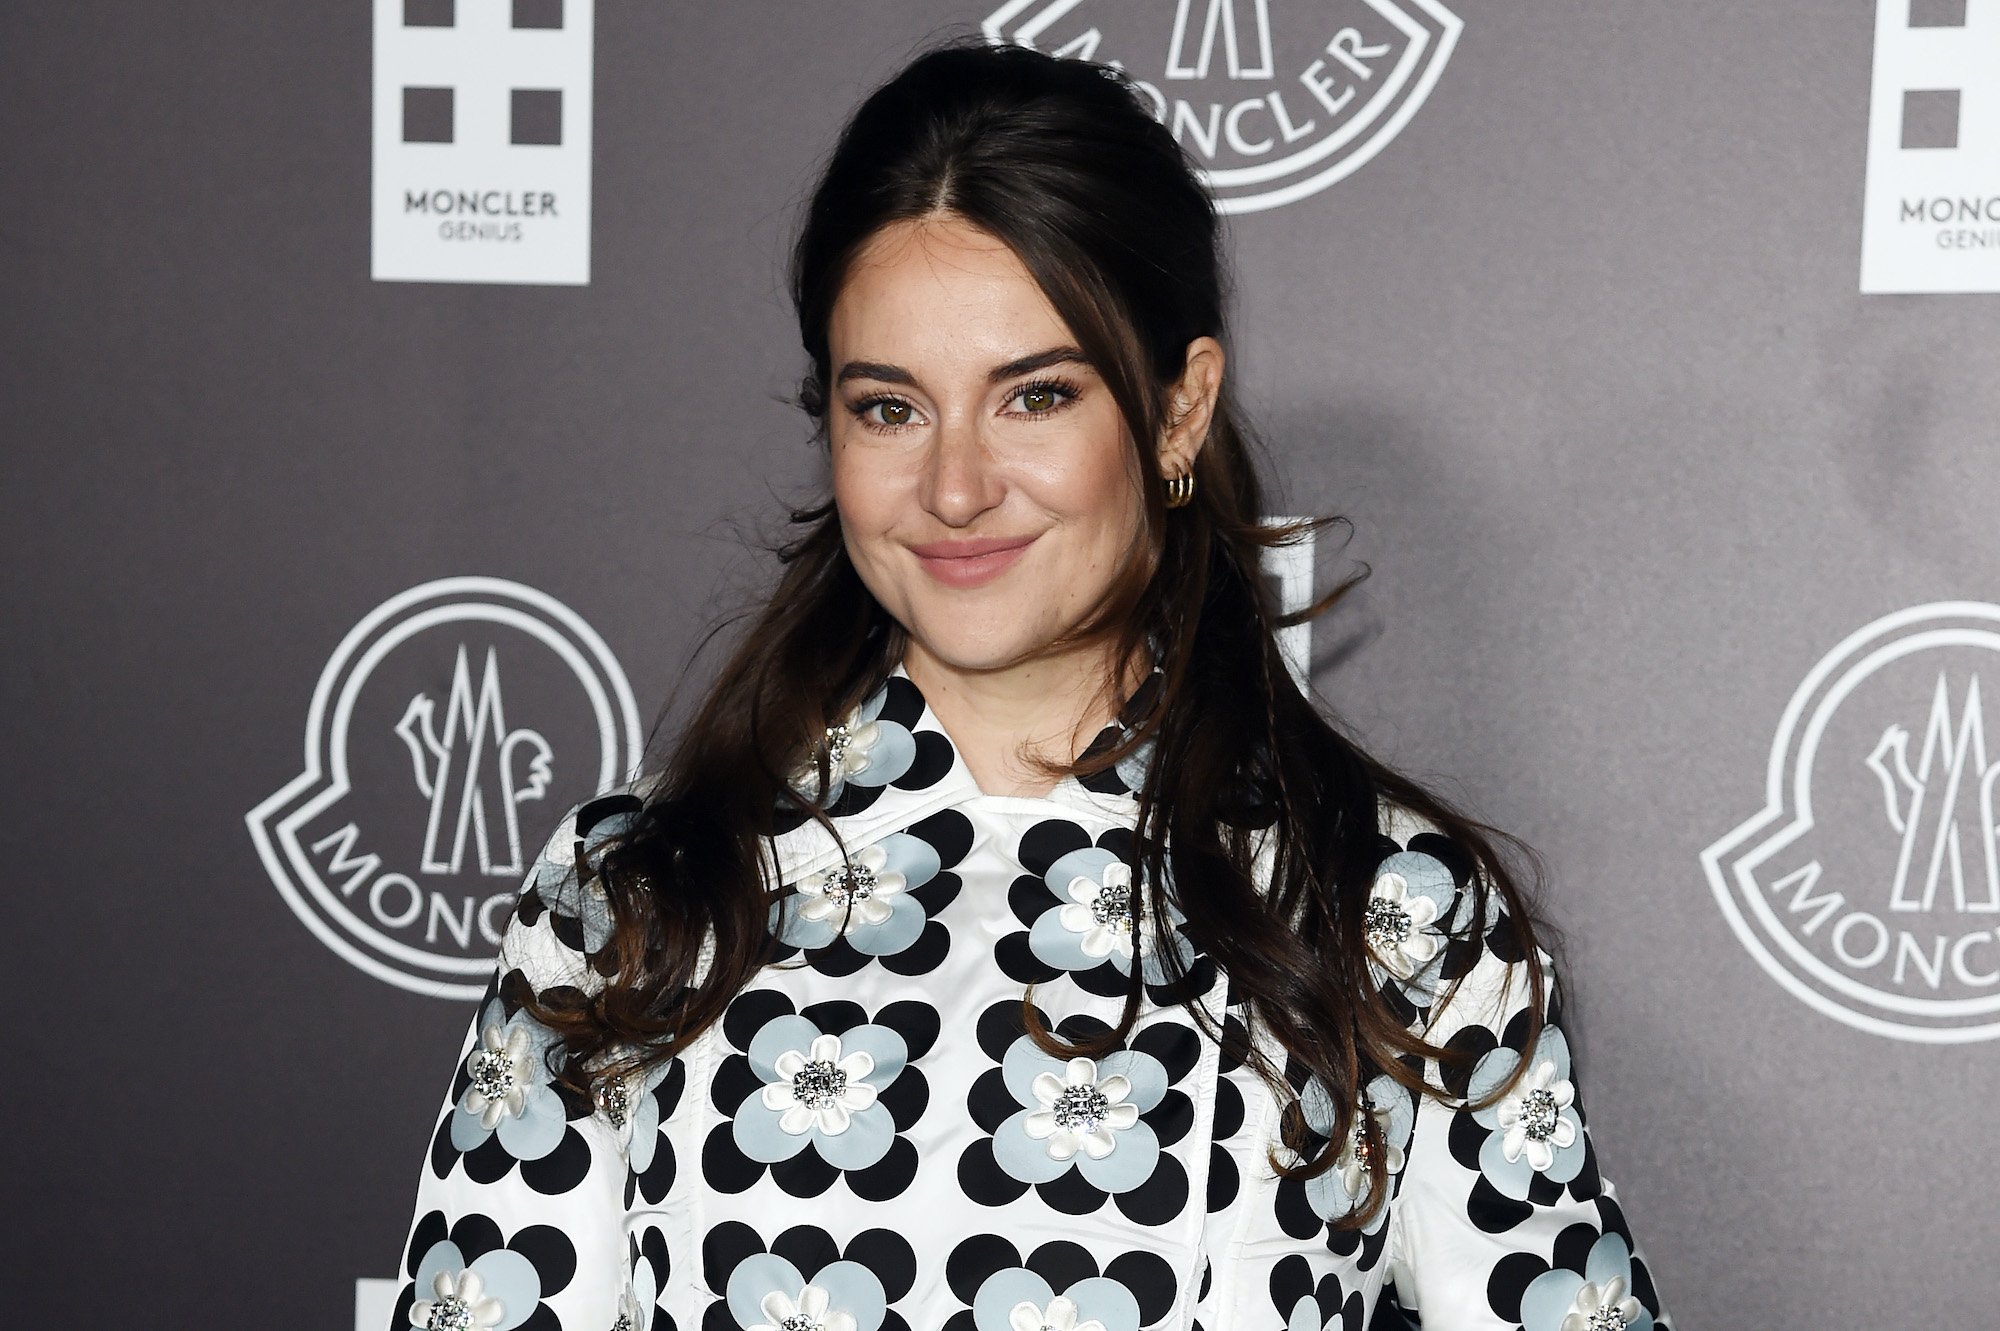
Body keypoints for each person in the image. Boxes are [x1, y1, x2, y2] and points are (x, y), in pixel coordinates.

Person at [385, 38, 1672, 1331]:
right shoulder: (641, 890)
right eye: (890, 409)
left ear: (1178, 412)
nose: (955, 489)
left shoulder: (1385, 907)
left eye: (1035, 397)